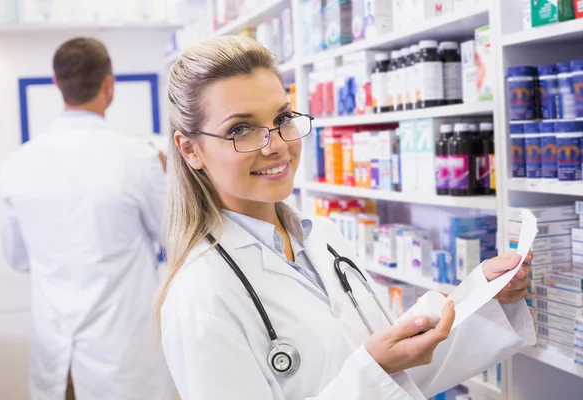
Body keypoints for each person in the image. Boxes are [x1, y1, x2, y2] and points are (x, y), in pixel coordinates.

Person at [159, 36, 536, 399]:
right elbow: (377, 373)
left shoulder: (322, 236)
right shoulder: (200, 295)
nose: (275, 146)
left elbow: (402, 371)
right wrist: (372, 372)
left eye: (282, 118)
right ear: (190, 149)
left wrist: (480, 296)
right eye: (240, 129)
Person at [0, 38, 172, 400]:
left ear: (56, 84)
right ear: (109, 85)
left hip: (56, 352)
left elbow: (16, 258)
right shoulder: (138, 159)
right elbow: (174, 239)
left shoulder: (19, 163)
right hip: (121, 357)